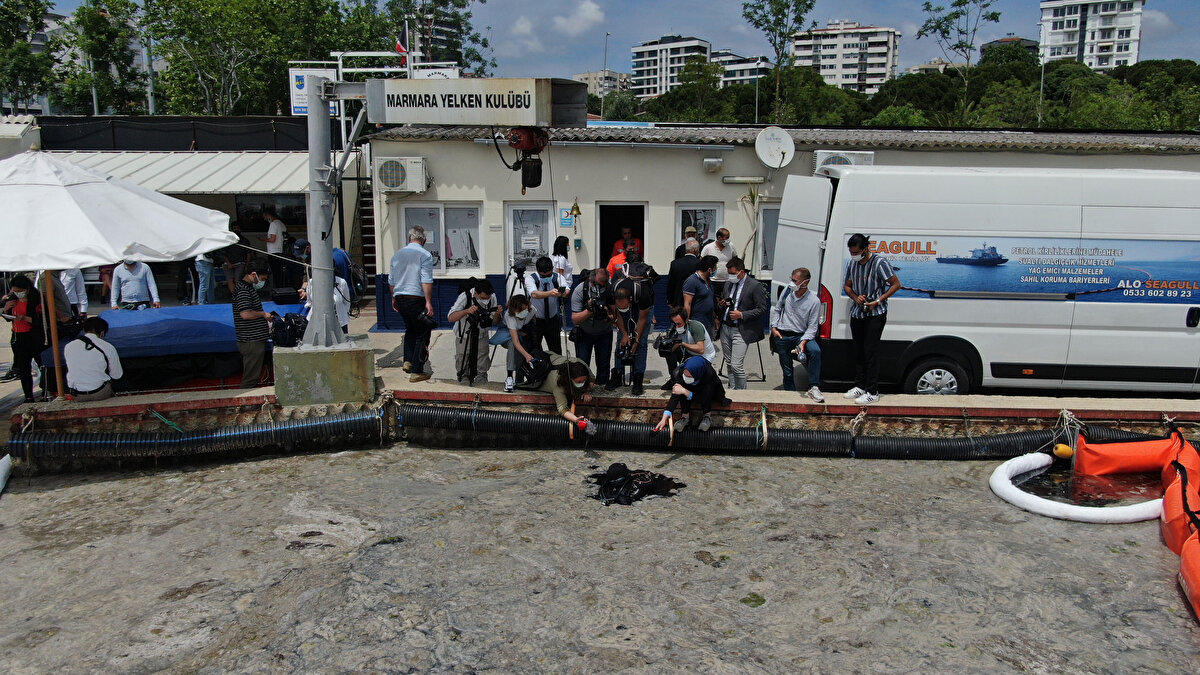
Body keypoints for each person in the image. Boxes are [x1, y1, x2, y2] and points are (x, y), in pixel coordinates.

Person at [843, 233, 901, 405]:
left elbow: (896, 284)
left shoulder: (879, 263)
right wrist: (855, 297)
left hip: (875, 314)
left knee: (871, 352)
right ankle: (860, 385)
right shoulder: (852, 264)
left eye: (857, 252)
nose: (854, 255)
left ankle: (872, 390)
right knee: (859, 350)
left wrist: (878, 300)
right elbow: (847, 286)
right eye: (851, 252)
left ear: (866, 248)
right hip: (857, 313)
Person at [389, 225, 436, 383]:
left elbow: (391, 281)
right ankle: (417, 371)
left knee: (410, 329)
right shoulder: (425, 255)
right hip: (415, 298)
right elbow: (426, 280)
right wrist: (428, 302)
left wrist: (393, 298)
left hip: (400, 297)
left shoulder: (397, 255)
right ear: (424, 240)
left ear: (409, 238)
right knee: (422, 333)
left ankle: (408, 361)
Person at [770, 267, 824, 402]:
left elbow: (813, 326)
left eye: (795, 281)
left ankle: (814, 386)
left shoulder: (814, 301)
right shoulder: (787, 292)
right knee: (787, 369)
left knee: (815, 351)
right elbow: (778, 309)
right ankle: (790, 394)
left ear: (805, 283)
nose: (792, 283)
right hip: (782, 334)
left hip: (800, 335)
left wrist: (804, 341)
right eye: (791, 279)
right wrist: (774, 327)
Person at [718, 257, 768, 390]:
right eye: (729, 273)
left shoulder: (754, 286)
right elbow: (727, 300)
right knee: (729, 363)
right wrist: (723, 304)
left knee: (736, 365)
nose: (731, 276)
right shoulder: (729, 284)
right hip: (726, 327)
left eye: (733, 274)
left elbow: (762, 309)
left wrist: (742, 315)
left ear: (741, 272)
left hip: (741, 329)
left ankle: (742, 392)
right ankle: (732, 388)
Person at [609, 257, 654, 395]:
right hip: (623, 309)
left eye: (625, 306)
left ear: (629, 299)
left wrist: (636, 340)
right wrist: (624, 334)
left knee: (641, 344)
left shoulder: (643, 292)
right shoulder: (612, 291)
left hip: (642, 309)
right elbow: (616, 315)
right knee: (621, 342)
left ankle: (638, 378)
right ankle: (617, 374)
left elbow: (642, 319)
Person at [652, 355, 731, 433]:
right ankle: (685, 417)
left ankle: (707, 416)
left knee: (688, 392)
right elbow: (675, 395)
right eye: (685, 375)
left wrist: (686, 392)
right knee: (681, 390)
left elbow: (704, 398)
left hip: (708, 392)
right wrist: (664, 418)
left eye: (689, 376)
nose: (686, 377)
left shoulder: (709, 374)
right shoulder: (681, 372)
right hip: (691, 389)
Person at [447, 278, 501, 385]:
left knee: (482, 355)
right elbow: (451, 318)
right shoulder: (465, 296)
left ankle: (482, 375)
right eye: (482, 298)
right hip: (464, 333)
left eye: (488, 298)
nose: (485, 300)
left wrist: (498, 314)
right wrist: (467, 311)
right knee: (463, 356)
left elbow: (494, 322)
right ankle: (463, 375)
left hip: (482, 333)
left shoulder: (492, 297)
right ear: (475, 293)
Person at [2, 276, 47, 402]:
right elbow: (8, 316)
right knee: (23, 368)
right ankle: (28, 396)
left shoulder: (36, 300)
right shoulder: (13, 299)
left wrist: (25, 318)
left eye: (19, 290)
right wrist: (6, 309)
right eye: (14, 290)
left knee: (42, 365)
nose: (17, 293)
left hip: (33, 336)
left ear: (26, 289)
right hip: (18, 336)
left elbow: (42, 320)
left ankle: (45, 391)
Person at [569, 267, 614, 388]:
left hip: (604, 332)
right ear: (591, 280)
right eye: (600, 284)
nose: (602, 287)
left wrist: (608, 316)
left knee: (604, 363)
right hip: (584, 332)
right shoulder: (580, 290)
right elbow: (575, 319)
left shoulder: (610, 289)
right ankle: (583, 387)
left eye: (605, 283)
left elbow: (616, 315)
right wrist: (590, 310)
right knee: (582, 364)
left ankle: (602, 387)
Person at [63, 316, 122, 402]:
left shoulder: (69, 346)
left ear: (84, 330)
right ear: (102, 333)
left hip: (77, 395)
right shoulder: (108, 347)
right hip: (99, 394)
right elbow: (117, 375)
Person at [233, 264, 273, 388]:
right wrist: (262, 314)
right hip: (251, 340)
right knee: (250, 378)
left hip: (255, 339)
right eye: (262, 279)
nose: (262, 282)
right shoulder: (243, 290)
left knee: (253, 375)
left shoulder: (248, 288)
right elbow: (245, 314)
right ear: (254, 274)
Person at [658, 305, 715, 390]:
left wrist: (682, 344)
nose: (677, 326)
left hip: (704, 357)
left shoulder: (695, 327)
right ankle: (673, 379)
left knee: (679, 374)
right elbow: (669, 351)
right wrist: (665, 345)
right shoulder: (674, 328)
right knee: (670, 355)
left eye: (679, 324)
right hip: (689, 353)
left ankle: (681, 379)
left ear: (686, 320)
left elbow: (701, 349)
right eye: (674, 323)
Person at [524, 256, 570, 356]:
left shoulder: (557, 277)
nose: (545, 278)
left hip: (552, 319)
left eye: (548, 275)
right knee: (534, 350)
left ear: (552, 268)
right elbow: (534, 294)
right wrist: (550, 293)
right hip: (535, 320)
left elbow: (567, 291)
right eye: (543, 276)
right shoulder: (531, 278)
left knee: (556, 351)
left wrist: (562, 293)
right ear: (537, 270)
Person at [539, 355, 597, 432]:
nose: (582, 383)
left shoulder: (581, 364)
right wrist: (576, 419)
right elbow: (562, 409)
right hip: (540, 366)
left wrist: (587, 391)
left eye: (584, 380)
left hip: (553, 358)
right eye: (579, 382)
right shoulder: (558, 383)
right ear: (570, 379)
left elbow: (592, 379)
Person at [502, 294, 539, 392]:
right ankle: (509, 376)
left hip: (525, 335)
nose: (523, 313)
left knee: (528, 349)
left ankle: (524, 380)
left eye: (525, 310)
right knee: (513, 346)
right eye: (520, 311)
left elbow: (534, 325)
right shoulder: (509, 316)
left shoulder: (532, 310)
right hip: (509, 336)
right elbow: (515, 341)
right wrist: (526, 355)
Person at [682, 255, 718, 334]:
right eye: (715, 268)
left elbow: (709, 301)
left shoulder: (709, 281)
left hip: (709, 323)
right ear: (709, 269)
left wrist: (715, 317)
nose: (716, 270)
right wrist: (686, 322)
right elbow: (687, 304)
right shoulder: (692, 281)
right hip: (697, 323)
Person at [701, 228, 738, 300]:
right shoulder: (708, 248)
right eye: (726, 238)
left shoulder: (731, 247)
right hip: (713, 281)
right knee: (713, 302)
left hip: (727, 281)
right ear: (719, 238)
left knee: (727, 302)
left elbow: (735, 261)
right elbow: (702, 263)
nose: (728, 240)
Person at [667, 239, 701, 308]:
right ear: (695, 250)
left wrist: (670, 300)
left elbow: (671, 283)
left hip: (678, 300)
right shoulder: (699, 263)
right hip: (694, 301)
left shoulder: (675, 263)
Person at [258, 207, 286, 289]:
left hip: (274, 252)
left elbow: (272, 239)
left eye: (265, 217)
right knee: (280, 273)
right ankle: (280, 288)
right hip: (281, 250)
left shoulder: (273, 224)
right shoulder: (281, 224)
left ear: (269, 215)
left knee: (275, 273)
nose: (265, 219)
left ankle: (277, 290)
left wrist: (263, 239)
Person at [222, 224, 253, 296]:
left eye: (237, 228)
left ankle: (239, 296)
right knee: (230, 280)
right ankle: (234, 296)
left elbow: (248, 253)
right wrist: (228, 263)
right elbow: (223, 253)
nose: (236, 230)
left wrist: (247, 265)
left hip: (240, 263)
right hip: (228, 263)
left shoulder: (245, 240)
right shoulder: (228, 240)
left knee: (237, 280)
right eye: (234, 228)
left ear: (240, 229)